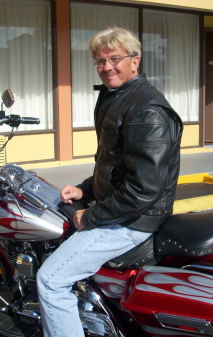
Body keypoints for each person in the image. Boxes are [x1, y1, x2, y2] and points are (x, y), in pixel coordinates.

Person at [37, 26, 183, 337]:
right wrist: (85, 188)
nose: (107, 67)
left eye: (114, 58)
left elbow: (144, 187)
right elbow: (117, 164)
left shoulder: (145, 109)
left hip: (133, 220)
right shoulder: (120, 97)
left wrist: (89, 216)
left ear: (135, 61)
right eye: (100, 62)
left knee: (50, 280)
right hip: (124, 210)